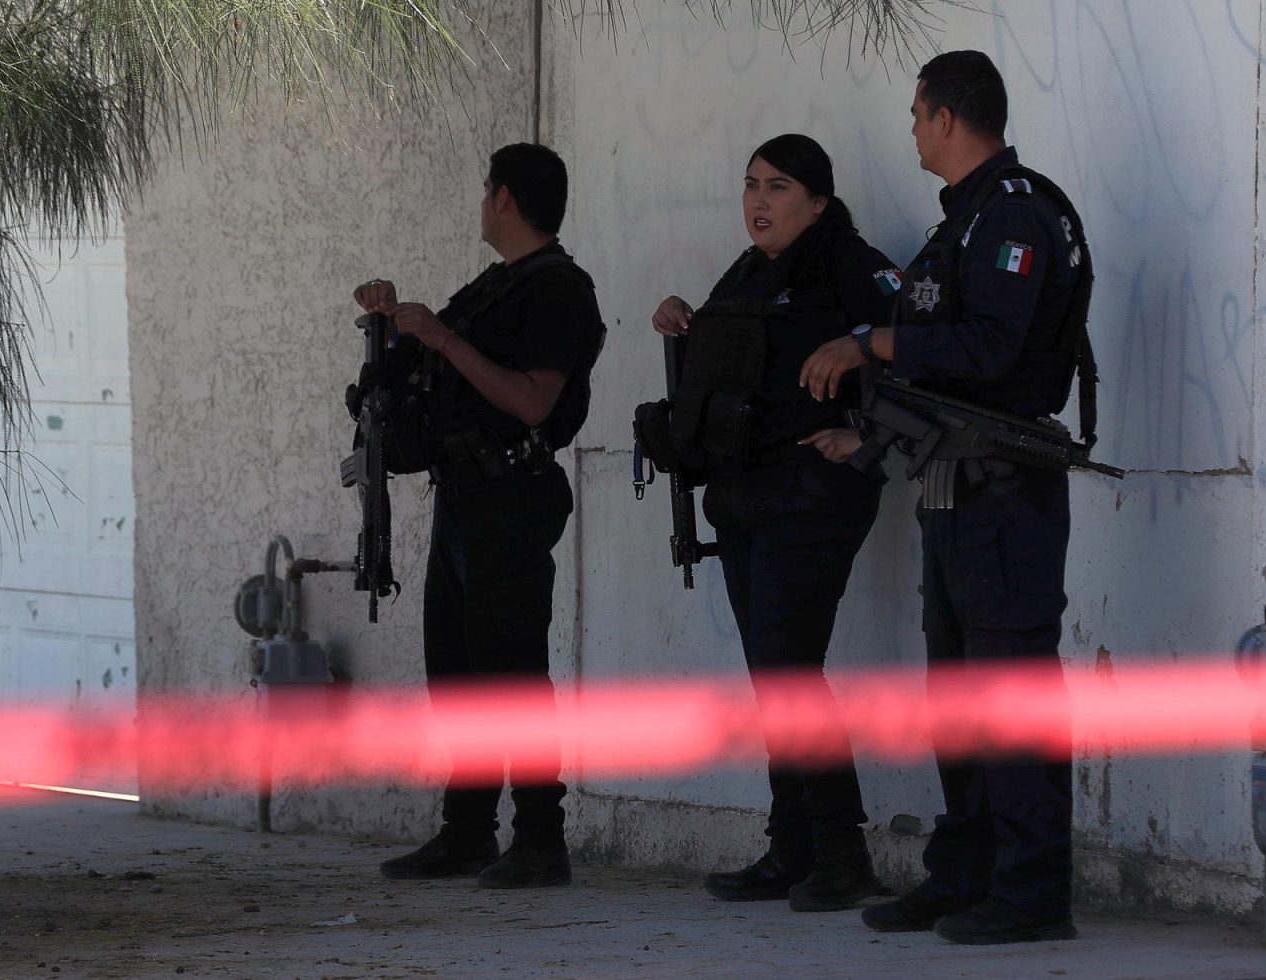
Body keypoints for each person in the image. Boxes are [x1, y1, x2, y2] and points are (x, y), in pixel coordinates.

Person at [801, 51, 1093, 944]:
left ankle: (1033, 890)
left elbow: (992, 351)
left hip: (1004, 495)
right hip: (952, 485)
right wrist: (873, 435)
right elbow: (948, 373)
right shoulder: (962, 224)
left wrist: (871, 343)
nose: (912, 129)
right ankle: (964, 875)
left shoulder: (1011, 217)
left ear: (948, 117)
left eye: (918, 113)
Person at [649, 134, 902, 912]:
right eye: (752, 184)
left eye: (780, 187)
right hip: (748, 496)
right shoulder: (750, 270)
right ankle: (793, 847)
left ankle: (841, 851)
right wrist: (682, 326)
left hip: (812, 496)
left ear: (819, 201)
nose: (760, 200)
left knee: (791, 673)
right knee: (773, 677)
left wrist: (871, 439)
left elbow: (927, 353)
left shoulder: (853, 265)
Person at [358, 142, 605, 888]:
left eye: (484, 189)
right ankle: (467, 831)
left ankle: (540, 840)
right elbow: (439, 364)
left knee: (512, 675)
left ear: (504, 198)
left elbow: (533, 400)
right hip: (463, 500)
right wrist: (397, 321)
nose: (480, 201)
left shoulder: (560, 288)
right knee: (459, 675)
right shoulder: (501, 284)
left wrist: (442, 337)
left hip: (510, 499)